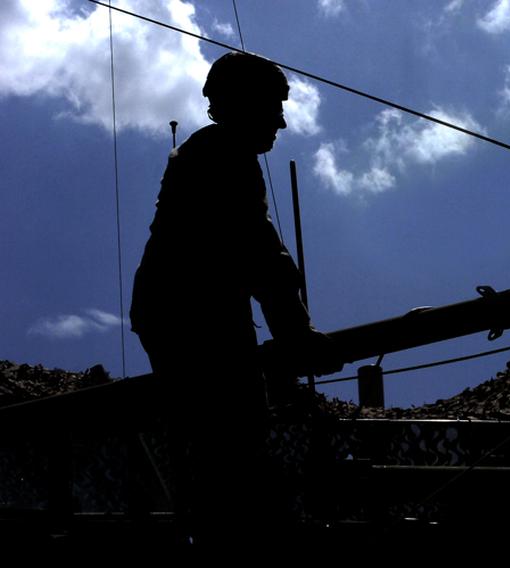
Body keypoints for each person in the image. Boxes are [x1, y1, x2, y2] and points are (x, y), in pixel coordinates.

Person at [130, 52, 341, 543]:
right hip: (194, 316)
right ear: (244, 103)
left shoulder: (210, 151)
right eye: (275, 106)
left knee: (218, 439)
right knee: (233, 442)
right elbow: (259, 250)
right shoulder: (224, 154)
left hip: (181, 310)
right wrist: (296, 333)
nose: (282, 121)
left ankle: (221, 520)